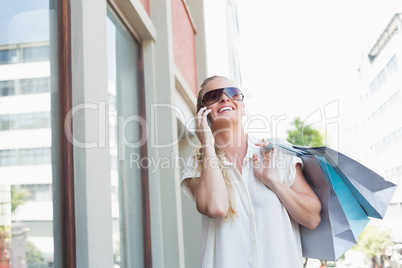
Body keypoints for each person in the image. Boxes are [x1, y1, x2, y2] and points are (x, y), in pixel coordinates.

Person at [181, 75, 321, 268]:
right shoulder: (196, 165)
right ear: (202, 114)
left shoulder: (275, 151)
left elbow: (313, 218)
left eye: (233, 93)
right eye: (213, 96)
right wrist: (207, 143)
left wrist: (273, 181)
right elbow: (217, 208)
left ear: (243, 107)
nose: (224, 98)